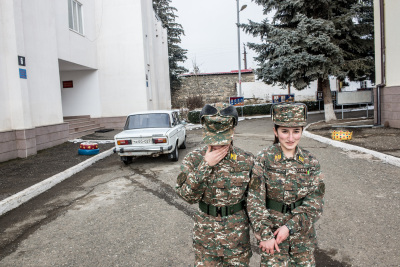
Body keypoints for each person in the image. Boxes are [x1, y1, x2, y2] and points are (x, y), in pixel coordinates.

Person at [176, 102, 255, 266]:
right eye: (214, 138)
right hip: (206, 239)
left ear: (232, 130)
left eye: (223, 139)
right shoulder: (194, 159)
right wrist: (205, 165)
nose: (218, 144)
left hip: (237, 239)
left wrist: (262, 232)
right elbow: (187, 196)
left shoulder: (247, 160)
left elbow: (255, 201)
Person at [246, 103, 325, 266]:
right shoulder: (264, 159)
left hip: (302, 240)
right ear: (275, 131)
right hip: (272, 240)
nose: (291, 138)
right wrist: (265, 235)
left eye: (296, 131)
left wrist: (290, 227)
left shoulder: (311, 162)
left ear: (302, 131)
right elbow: (254, 200)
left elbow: (315, 203)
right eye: (284, 131)